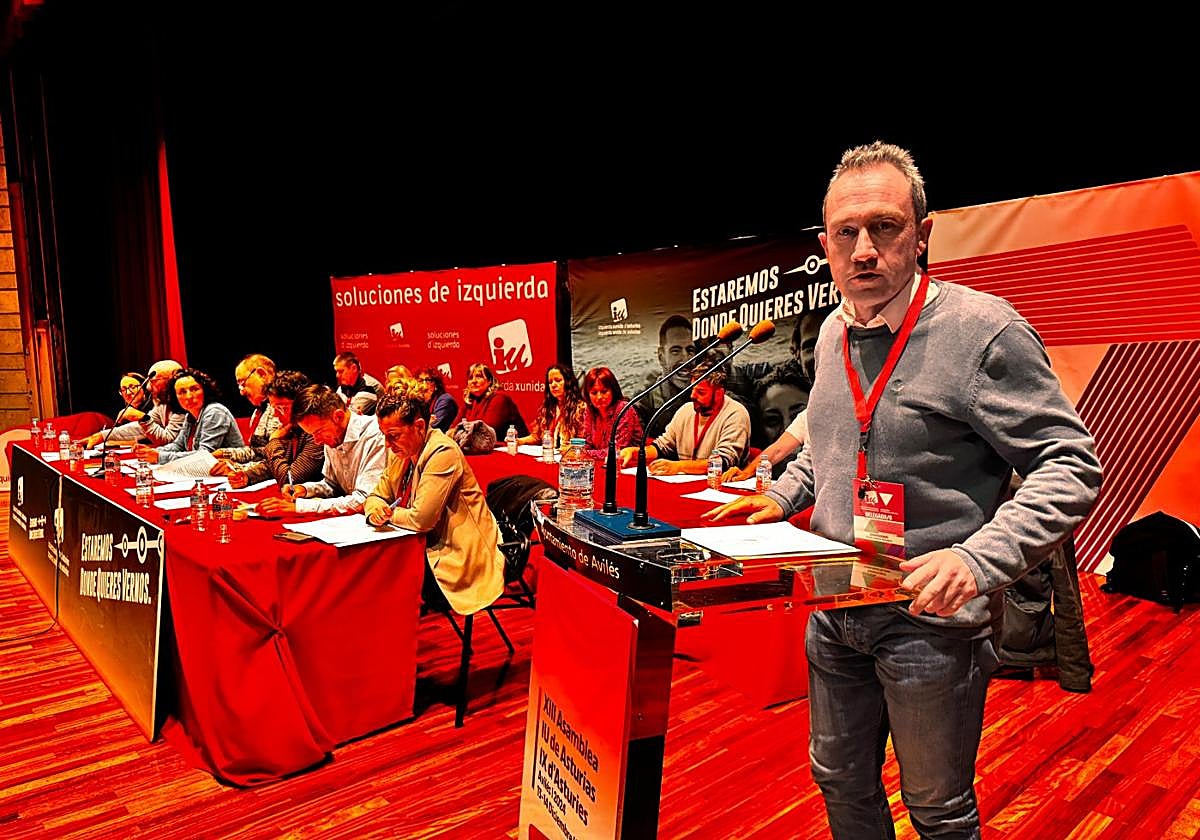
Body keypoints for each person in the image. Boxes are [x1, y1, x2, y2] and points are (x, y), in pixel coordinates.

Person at [704, 141, 1102, 838]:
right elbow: (831, 444)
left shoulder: (983, 332)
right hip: (832, 604)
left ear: (922, 236)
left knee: (938, 811)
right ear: (824, 243)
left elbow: (1070, 463)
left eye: (884, 227)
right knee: (838, 779)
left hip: (929, 626)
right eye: (846, 233)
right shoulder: (831, 333)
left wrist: (979, 560)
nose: (863, 249)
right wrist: (786, 493)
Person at [364, 391, 505, 615]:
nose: (387, 444)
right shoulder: (400, 451)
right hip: (420, 545)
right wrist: (374, 511)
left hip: (458, 552)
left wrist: (389, 514)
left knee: (377, 576)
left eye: (393, 435)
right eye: (384, 435)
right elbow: (376, 496)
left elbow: (421, 520)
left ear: (420, 426)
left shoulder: (442, 451)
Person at [257, 383, 386, 515]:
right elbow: (333, 486)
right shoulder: (333, 434)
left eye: (318, 432)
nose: (317, 441)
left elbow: (364, 499)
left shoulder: (375, 435)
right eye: (312, 434)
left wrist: (300, 508)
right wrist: (306, 490)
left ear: (339, 416)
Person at [619, 353, 750, 476]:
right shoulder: (686, 410)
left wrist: (678, 467)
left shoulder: (735, 414)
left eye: (701, 392)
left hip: (724, 486)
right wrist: (635, 452)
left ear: (719, 393)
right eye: (692, 389)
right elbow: (661, 447)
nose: (693, 396)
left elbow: (723, 462)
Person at [133, 368, 244, 463]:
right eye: (182, 392)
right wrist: (151, 452)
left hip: (232, 474)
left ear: (205, 390)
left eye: (194, 389)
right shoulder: (190, 416)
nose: (189, 396)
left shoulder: (214, 412)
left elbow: (204, 456)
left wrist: (159, 457)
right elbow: (178, 446)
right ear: (175, 397)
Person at [210, 353, 281, 485]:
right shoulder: (258, 412)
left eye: (243, 382)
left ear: (261, 374)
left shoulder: (284, 409)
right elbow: (256, 451)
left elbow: (280, 460)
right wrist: (225, 453)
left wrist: (237, 468)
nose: (241, 391)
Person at [85, 359, 186, 447]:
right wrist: (102, 436)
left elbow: (169, 440)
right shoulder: (163, 404)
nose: (148, 387)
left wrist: (142, 417)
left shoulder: (183, 403)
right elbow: (141, 428)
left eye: (153, 381)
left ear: (171, 379)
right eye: (124, 390)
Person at [255, 370, 325, 488]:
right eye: (274, 408)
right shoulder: (291, 428)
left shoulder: (315, 433)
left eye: (281, 408)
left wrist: (273, 442)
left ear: (302, 403)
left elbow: (290, 480)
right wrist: (247, 476)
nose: (276, 415)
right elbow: (277, 464)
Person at [635, 314, 694, 439]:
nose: (686, 359)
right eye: (675, 351)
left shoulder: (706, 395)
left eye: (690, 350)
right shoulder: (644, 401)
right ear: (661, 357)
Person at [581, 366, 644, 462]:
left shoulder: (624, 409)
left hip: (630, 466)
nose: (599, 397)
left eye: (604, 391)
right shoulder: (589, 410)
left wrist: (583, 453)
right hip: (601, 463)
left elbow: (616, 451)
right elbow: (587, 444)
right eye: (594, 393)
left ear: (613, 391)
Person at [518, 363, 587, 449]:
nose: (553, 385)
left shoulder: (581, 408)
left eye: (558, 380)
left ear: (568, 382)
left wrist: (571, 447)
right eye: (550, 382)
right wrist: (519, 441)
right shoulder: (547, 408)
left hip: (570, 457)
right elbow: (536, 437)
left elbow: (584, 441)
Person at [459, 362, 527, 437]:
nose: (474, 381)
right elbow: (453, 428)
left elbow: (484, 432)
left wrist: (460, 434)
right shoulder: (469, 399)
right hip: (476, 445)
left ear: (489, 381)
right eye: (470, 378)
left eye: (479, 377)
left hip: (510, 446)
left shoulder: (499, 398)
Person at [414, 367, 459, 432]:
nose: (424, 384)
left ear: (436, 385)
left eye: (428, 380)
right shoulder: (419, 401)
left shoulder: (445, 400)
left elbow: (433, 429)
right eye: (420, 380)